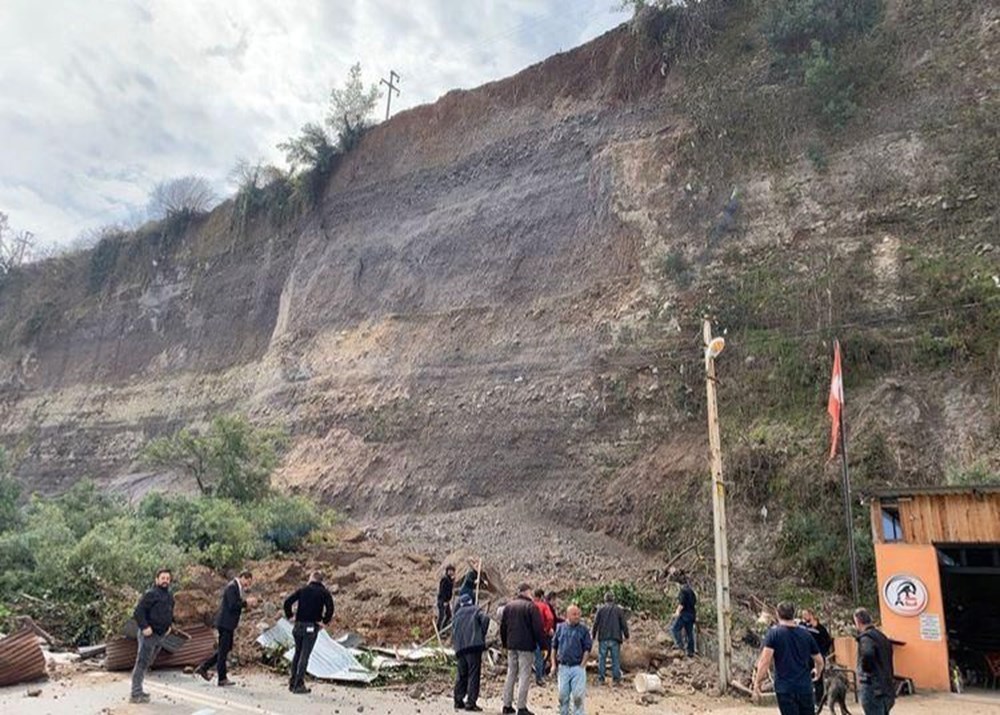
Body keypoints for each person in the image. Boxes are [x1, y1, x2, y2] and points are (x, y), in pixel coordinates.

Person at [753, 602, 824, 715]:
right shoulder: (806, 634)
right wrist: (818, 671)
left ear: (777, 614)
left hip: (785, 688)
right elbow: (819, 660)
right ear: (793, 614)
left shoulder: (774, 634)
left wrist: (757, 682)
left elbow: (765, 661)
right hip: (805, 687)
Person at [195, 570, 257, 686]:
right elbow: (233, 605)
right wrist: (246, 603)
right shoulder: (232, 587)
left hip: (229, 624)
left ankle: (204, 667)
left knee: (225, 648)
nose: (247, 585)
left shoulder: (236, 588)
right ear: (243, 577)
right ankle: (221, 678)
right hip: (225, 623)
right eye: (247, 582)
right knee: (223, 650)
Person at [283, 571, 335, 694]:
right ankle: (299, 684)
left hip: (298, 626)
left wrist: (290, 616)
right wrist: (324, 622)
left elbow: (287, 602)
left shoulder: (303, 589)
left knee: (297, 653)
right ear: (321, 581)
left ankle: (292, 682)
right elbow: (330, 609)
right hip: (311, 626)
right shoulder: (324, 593)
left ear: (311, 578)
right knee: (304, 655)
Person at [130, 568, 175, 704]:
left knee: (148, 662)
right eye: (163, 578)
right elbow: (138, 612)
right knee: (142, 662)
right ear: (157, 580)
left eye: (167, 578)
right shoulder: (151, 594)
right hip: (149, 634)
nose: (165, 581)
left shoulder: (169, 597)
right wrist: (144, 627)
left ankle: (139, 689)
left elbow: (169, 613)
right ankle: (135, 693)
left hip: (161, 635)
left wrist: (168, 627)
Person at [500, 583, 545, 715]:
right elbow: (538, 628)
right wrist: (543, 645)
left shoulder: (508, 606)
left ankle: (506, 705)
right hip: (526, 646)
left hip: (511, 645)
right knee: (524, 675)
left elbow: (503, 627)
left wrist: (504, 644)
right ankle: (521, 707)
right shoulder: (531, 607)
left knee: (511, 673)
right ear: (527, 592)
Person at [551, 604, 593, 715]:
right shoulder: (560, 628)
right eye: (574, 614)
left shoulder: (583, 630)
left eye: (579, 614)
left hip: (577, 667)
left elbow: (587, 648)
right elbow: (554, 646)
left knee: (578, 697)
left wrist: (583, 664)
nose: (577, 616)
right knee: (562, 695)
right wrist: (553, 664)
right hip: (564, 667)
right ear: (567, 615)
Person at [452, 593, 490, 712]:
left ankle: (458, 700)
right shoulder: (475, 610)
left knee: (461, 674)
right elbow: (486, 619)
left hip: (460, 648)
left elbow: (453, 630)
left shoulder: (457, 614)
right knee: (473, 674)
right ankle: (471, 702)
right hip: (473, 647)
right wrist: (481, 633)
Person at [854, 607, 895, 714]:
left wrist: (865, 670)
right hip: (887, 687)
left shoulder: (866, 638)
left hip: (873, 688)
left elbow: (867, 654)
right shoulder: (882, 637)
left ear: (858, 622)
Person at [592, 591, 629, 685]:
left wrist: (593, 635)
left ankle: (601, 679)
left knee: (602, 659)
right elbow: (623, 624)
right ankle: (616, 680)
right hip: (615, 638)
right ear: (613, 599)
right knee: (615, 659)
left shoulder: (600, 609)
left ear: (605, 600)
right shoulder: (619, 610)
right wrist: (626, 634)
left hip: (603, 637)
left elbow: (596, 623)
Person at [800, 608, 833, 707]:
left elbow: (828, 642)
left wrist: (822, 653)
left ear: (811, 615)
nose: (804, 617)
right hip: (805, 657)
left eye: (805, 614)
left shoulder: (820, 629)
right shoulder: (802, 627)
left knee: (818, 679)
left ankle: (819, 700)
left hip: (817, 656)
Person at [533, 588, 555, 685]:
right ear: (542, 596)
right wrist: (547, 629)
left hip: (529, 635)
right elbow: (550, 618)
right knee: (541, 656)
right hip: (541, 634)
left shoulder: (530, 605)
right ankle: (539, 677)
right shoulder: (544, 606)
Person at [671, 573, 697, 657]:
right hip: (692, 615)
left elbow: (681, 604)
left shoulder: (683, 591)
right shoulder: (691, 591)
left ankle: (680, 646)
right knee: (689, 633)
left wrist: (677, 613)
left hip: (684, 615)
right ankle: (690, 652)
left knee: (674, 629)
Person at [438, 565, 456, 634]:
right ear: (447, 571)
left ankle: (443, 630)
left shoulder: (450, 579)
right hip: (442, 600)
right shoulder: (445, 579)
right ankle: (439, 631)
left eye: (452, 571)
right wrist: (444, 600)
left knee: (448, 615)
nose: (451, 572)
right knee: (441, 616)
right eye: (450, 571)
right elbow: (442, 590)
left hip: (446, 601)